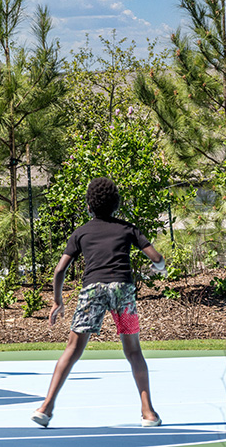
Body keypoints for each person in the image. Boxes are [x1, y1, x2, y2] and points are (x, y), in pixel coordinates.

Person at [31, 177, 165, 428]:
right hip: (122, 291)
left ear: (89, 206)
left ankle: (46, 407)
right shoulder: (128, 229)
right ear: (116, 204)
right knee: (133, 351)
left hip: (92, 291)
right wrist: (161, 267)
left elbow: (59, 270)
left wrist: (57, 301)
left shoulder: (81, 232)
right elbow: (156, 257)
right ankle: (148, 413)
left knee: (73, 349)